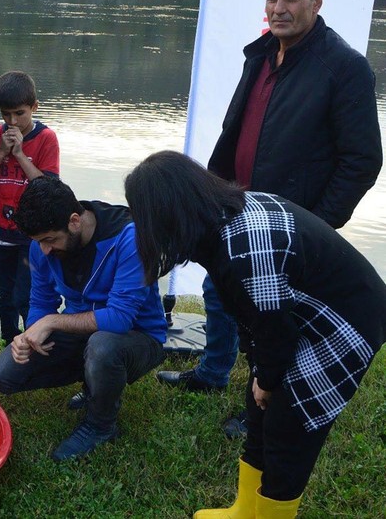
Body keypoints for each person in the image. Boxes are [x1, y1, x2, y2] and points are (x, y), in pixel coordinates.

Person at [157, 0, 382, 394]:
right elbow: (236, 131)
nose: (278, 7)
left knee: (274, 318)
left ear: (316, 0)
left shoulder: (345, 68)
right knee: (217, 290)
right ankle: (212, 372)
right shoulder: (259, 55)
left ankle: (266, 400)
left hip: (288, 227)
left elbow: (362, 162)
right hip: (236, 206)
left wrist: (316, 225)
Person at [125, 151, 385, 518]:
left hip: (344, 321)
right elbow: (255, 316)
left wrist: (267, 376)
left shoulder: (242, 250)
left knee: (288, 428)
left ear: (169, 212)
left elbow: (276, 333)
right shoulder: (220, 219)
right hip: (294, 314)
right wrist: (259, 374)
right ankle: (245, 509)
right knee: (258, 407)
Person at [0, 176, 167, 461]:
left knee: (103, 347)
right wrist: (31, 333)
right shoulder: (42, 245)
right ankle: (93, 382)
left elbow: (120, 319)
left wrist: (51, 322)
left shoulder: (131, 238)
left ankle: (101, 425)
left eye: (49, 240)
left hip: (138, 337)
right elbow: (41, 301)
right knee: (2, 374)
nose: (44, 249)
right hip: (84, 334)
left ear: (74, 221)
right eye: (38, 242)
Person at [0, 71, 60, 345]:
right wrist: (1, 152)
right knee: (6, 293)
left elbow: (48, 187)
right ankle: (8, 340)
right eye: (6, 114)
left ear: (34, 107)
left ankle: (34, 339)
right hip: (0, 230)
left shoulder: (47, 138)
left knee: (27, 294)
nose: (12, 121)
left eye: (19, 113)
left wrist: (19, 155)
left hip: (33, 235)